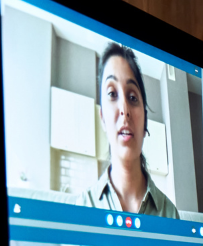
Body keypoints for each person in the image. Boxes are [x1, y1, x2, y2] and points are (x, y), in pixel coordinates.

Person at [75, 43, 180, 219]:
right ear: (102, 117)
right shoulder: (83, 207)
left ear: (145, 119)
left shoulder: (169, 214)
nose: (124, 108)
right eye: (112, 94)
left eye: (132, 97)